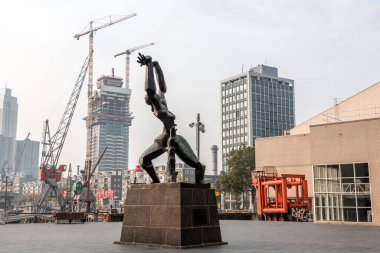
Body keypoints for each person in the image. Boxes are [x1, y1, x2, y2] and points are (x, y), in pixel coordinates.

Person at [137, 53, 205, 183]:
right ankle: (156, 182)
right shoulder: (163, 102)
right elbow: (162, 86)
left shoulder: (158, 107)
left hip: (170, 138)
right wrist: (156, 66)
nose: (151, 96)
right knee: (144, 160)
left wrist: (149, 65)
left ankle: (198, 177)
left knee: (194, 163)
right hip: (167, 136)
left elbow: (150, 89)